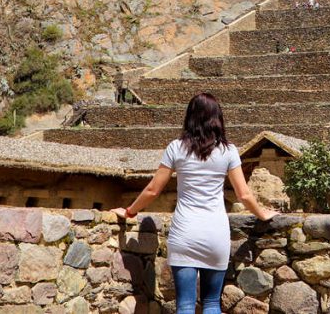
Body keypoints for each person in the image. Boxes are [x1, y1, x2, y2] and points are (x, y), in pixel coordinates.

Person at [113, 93, 277, 314]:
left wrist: (130, 211)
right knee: (211, 303)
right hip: (215, 234)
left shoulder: (176, 148)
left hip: (185, 233)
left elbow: (153, 190)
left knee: (186, 305)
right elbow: (244, 195)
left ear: (190, 117)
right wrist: (263, 214)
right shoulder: (228, 151)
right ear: (217, 118)